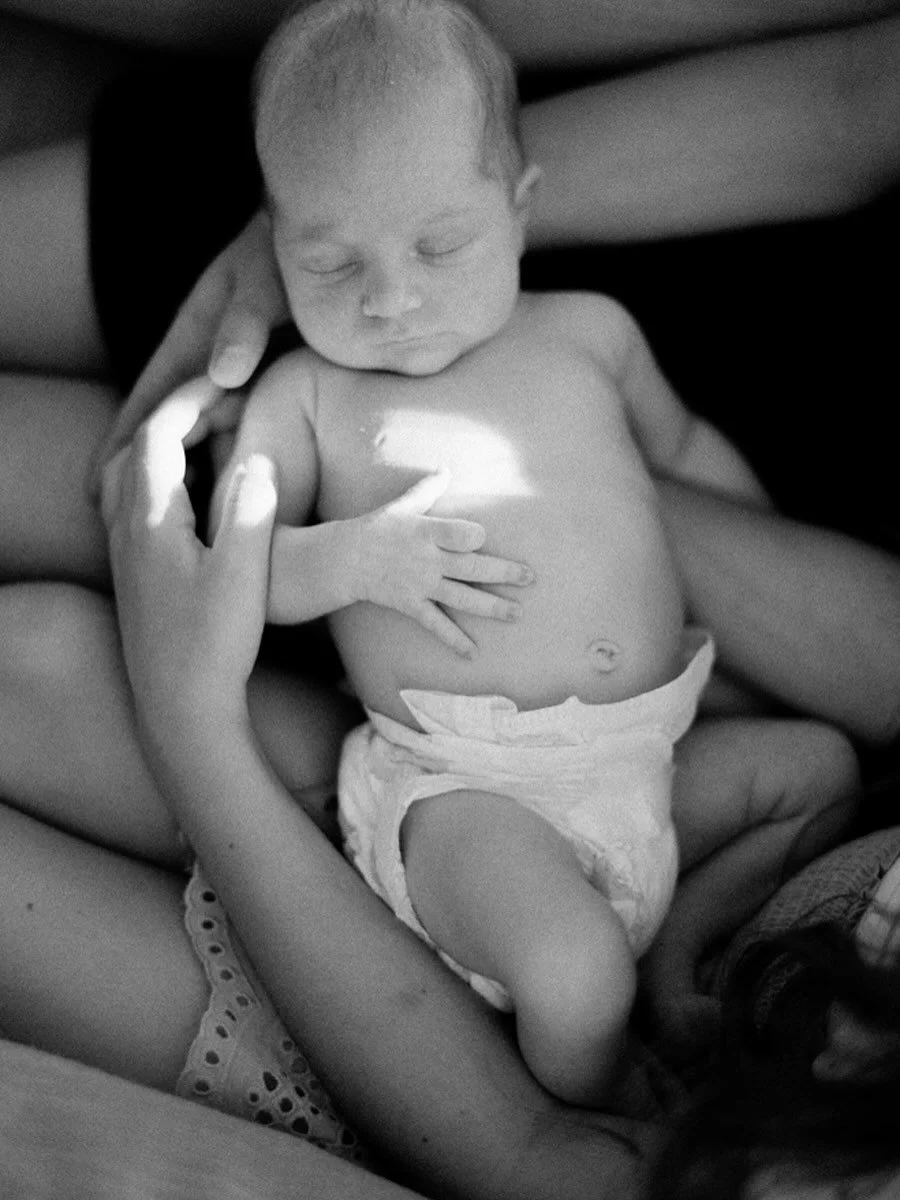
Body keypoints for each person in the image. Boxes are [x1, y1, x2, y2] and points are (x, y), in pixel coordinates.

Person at [156, 0, 859, 1101]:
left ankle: (680, 945)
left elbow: (686, 450)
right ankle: (594, 1109)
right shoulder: (307, 397)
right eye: (330, 264)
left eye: (441, 245)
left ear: (521, 209)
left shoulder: (591, 333)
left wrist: (754, 583)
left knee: (819, 768)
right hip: (468, 798)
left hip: (643, 766)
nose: (393, 299)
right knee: (577, 978)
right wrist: (348, 559)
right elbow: (229, 578)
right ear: (271, 241)